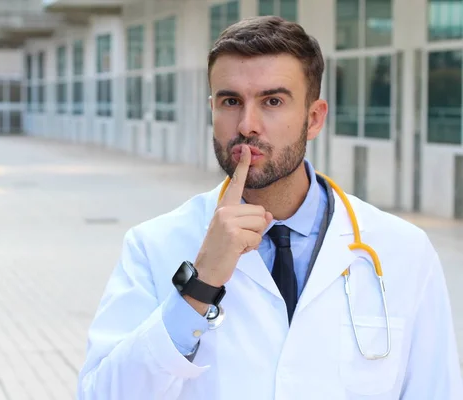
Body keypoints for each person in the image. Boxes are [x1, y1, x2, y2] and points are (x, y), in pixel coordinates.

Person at [77, 16, 463, 399]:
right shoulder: (153, 245)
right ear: (212, 110)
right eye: (231, 101)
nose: (247, 125)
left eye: (273, 101)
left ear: (313, 118)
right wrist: (199, 287)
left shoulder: (403, 251)